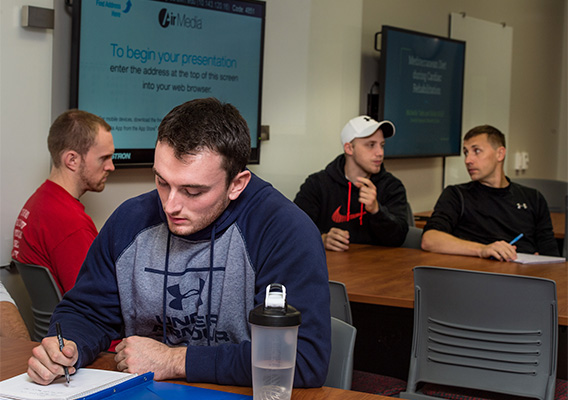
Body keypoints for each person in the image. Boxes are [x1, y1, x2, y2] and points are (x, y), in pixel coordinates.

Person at [27, 98, 331, 387]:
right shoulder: (130, 221)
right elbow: (87, 312)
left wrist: (176, 360)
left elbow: (302, 359)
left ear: (237, 185)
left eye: (193, 191)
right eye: (162, 182)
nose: (170, 205)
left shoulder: (283, 231)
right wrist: (67, 346)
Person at [12, 109, 115, 295]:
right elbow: (93, 301)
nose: (111, 167)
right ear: (72, 160)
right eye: (104, 158)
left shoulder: (39, 202)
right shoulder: (70, 224)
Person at [421, 124, 559, 260]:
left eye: (477, 151)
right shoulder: (457, 195)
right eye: (466, 153)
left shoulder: (533, 197)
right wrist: (482, 249)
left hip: (524, 275)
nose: (468, 160)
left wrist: (543, 262)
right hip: (477, 275)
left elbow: (550, 252)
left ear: (500, 154)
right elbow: (430, 240)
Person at [294, 115, 409, 252]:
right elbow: (294, 230)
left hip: (379, 267)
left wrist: (376, 210)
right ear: (349, 148)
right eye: (371, 145)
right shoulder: (317, 184)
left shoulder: (392, 186)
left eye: (382, 145)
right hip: (331, 268)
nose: (380, 153)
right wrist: (322, 239)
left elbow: (398, 239)